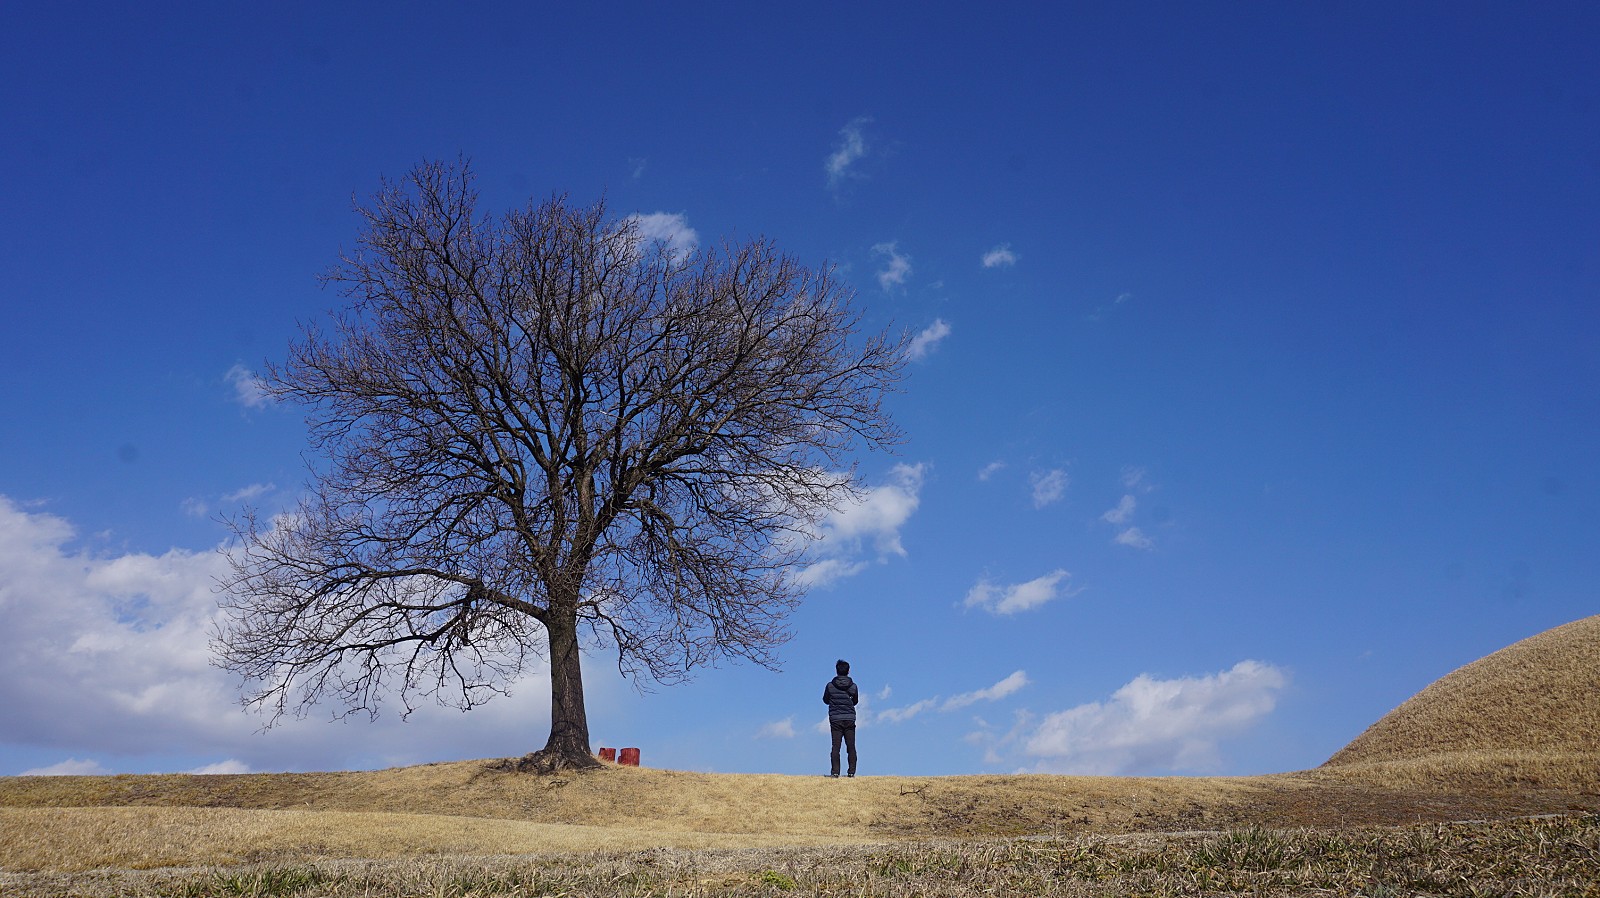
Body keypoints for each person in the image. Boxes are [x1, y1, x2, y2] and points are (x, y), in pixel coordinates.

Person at [822, 658, 859, 777]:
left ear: (836, 671)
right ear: (848, 671)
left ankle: (835, 772)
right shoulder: (853, 686)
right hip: (849, 718)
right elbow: (855, 701)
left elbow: (825, 700)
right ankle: (851, 772)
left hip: (835, 718)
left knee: (835, 746)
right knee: (851, 746)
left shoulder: (830, 686)